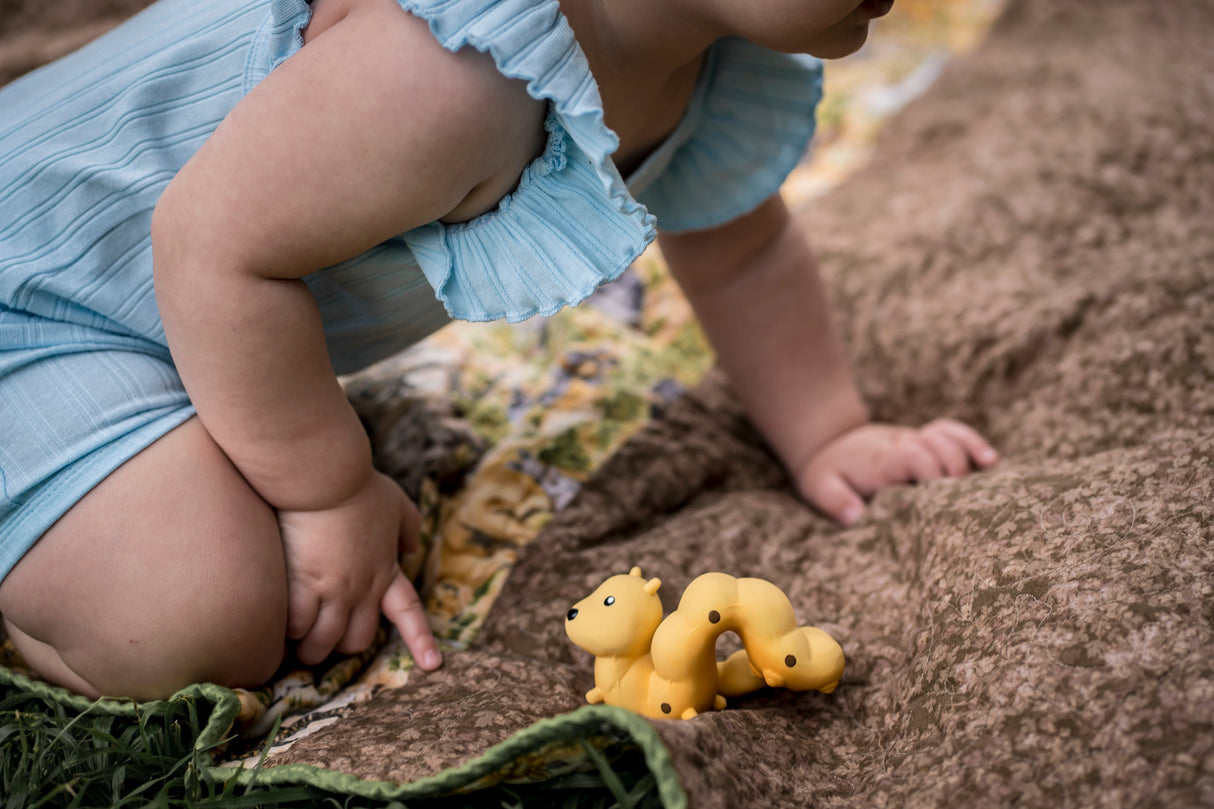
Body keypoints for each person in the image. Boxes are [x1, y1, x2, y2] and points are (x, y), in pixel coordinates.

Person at [0, 0, 997, 701]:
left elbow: (740, 251)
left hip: (180, 318)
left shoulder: (701, 56)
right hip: (33, 302)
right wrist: (327, 491)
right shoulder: (447, 68)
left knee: (213, 565)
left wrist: (831, 431)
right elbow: (208, 242)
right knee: (194, 619)